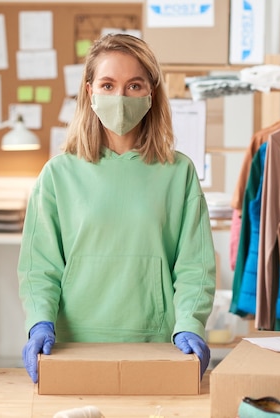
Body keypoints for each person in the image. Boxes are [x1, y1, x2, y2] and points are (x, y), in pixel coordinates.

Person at [18, 33, 216, 383]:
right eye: (108, 85)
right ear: (90, 91)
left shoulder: (179, 173)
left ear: (151, 93)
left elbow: (194, 266)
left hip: (158, 343)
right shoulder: (58, 174)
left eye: (134, 85)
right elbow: (39, 267)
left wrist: (190, 324)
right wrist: (39, 321)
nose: (120, 97)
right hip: (73, 346)